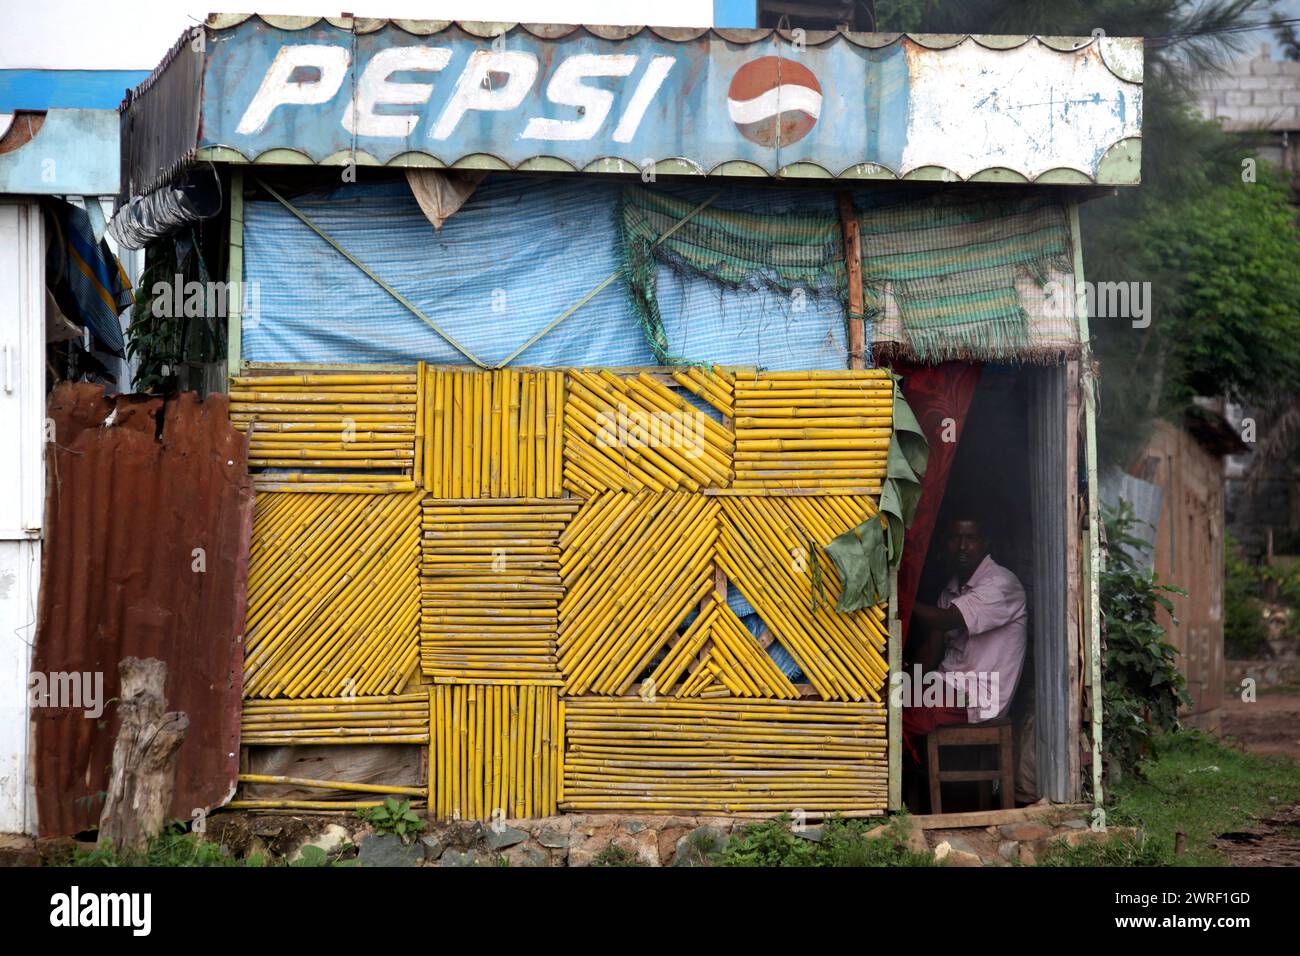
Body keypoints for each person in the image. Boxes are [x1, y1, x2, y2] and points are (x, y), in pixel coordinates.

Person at [902, 515, 1027, 759]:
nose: (962, 546)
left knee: (905, 713)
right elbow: (932, 653)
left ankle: (890, 784)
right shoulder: (951, 589)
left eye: (971, 538)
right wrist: (902, 677)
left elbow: (948, 619)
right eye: (955, 538)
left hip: (980, 694)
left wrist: (902, 600)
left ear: (985, 543)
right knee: (892, 702)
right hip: (948, 683)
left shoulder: (1001, 584)